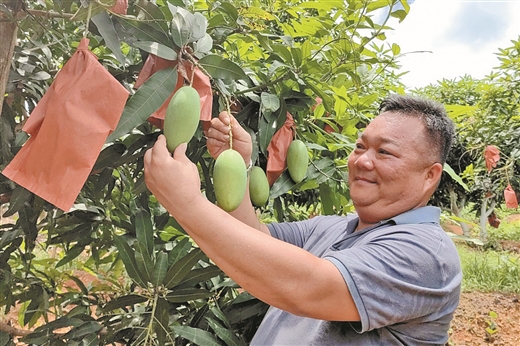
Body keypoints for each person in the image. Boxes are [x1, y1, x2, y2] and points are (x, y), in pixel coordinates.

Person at [144, 94, 462, 345]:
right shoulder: (331, 226)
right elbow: (252, 241)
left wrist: (185, 202)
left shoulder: (428, 255)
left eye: (385, 152)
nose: (363, 161)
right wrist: (240, 165)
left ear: (429, 176)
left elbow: (309, 288)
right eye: (360, 146)